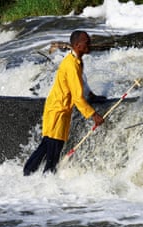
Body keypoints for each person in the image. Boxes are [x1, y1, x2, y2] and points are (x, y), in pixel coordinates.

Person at [23, 30, 104, 176]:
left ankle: (28, 174)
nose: (90, 44)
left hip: (56, 108)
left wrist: (92, 95)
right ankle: (41, 180)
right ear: (78, 45)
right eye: (87, 42)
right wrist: (94, 115)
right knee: (52, 151)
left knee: (47, 146)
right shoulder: (72, 65)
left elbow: (81, 83)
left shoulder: (75, 61)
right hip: (58, 111)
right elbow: (78, 97)